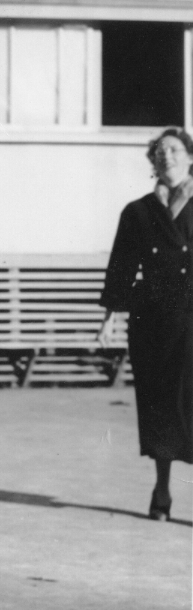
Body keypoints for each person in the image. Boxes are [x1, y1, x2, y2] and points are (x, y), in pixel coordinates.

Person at [98, 127, 193, 520]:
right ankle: (162, 489)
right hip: (153, 322)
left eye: (173, 149)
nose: (165, 155)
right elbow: (121, 267)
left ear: (189, 157)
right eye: (159, 150)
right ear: (152, 161)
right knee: (158, 405)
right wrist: (108, 318)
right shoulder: (137, 211)